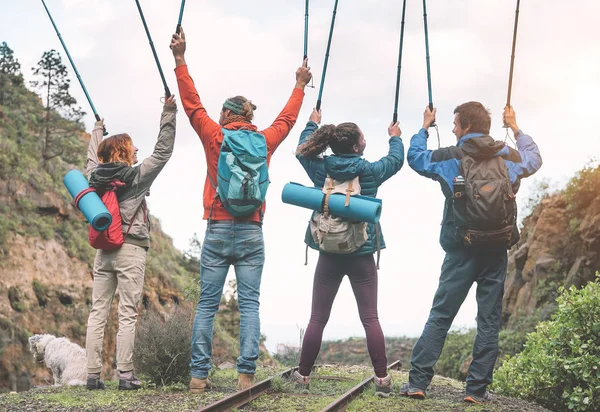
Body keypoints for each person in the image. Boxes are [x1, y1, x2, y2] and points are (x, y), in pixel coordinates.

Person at [169, 27, 313, 392]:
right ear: (248, 117)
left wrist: (180, 59)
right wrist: (299, 84)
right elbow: (287, 121)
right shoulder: (264, 140)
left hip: (217, 226)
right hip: (252, 230)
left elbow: (191, 104)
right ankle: (245, 376)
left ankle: (198, 377)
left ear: (226, 115)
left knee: (207, 307)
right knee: (249, 305)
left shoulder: (215, 137)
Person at [401, 103, 542, 404]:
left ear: (465, 126)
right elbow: (534, 159)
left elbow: (415, 158)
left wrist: (425, 128)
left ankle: (417, 384)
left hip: (460, 249)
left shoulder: (452, 157)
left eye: (455, 124)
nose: (452, 129)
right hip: (495, 251)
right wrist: (515, 128)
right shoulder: (506, 155)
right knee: (489, 321)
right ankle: (475, 391)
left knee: (441, 314)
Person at [292, 108, 404, 397]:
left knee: (318, 318)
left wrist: (312, 123)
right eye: (363, 137)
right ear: (357, 146)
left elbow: (302, 150)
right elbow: (395, 161)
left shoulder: (320, 168)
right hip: (362, 252)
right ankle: (382, 379)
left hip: (328, 252)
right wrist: (395, 138)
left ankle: (303, 375)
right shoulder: (368, 171)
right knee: (370, 318)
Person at [84, 96, 177, 390]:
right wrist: (169, 112)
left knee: (98, 311)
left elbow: (90, 158)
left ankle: (92, 375)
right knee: (127, 312)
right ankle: (125, 375)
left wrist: (97, 130)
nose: (137, 149)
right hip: (130, 249)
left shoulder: (93, 177)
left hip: (103, 251)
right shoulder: (136, 177)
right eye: (133, 145)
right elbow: (163, 152)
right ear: (124, 151)